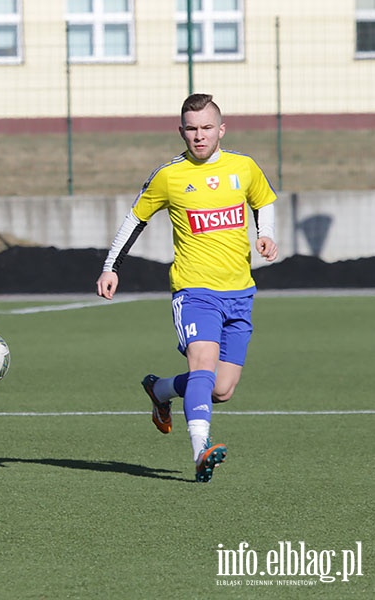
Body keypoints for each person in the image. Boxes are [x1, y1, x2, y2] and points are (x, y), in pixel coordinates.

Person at [95, 93, 278, 483]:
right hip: (194, 292)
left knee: (222, 389)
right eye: (192, 129)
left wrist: (266, 233)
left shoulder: (243, 168)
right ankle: (201, 450)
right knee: (203, 366)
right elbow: (134, 219)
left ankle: (160, 390)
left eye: (207, 128)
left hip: (240, 293)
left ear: (221, 130)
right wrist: (112, 267)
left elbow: (263, 201)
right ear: (181, 131)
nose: (199, 136)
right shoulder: (169, 176)